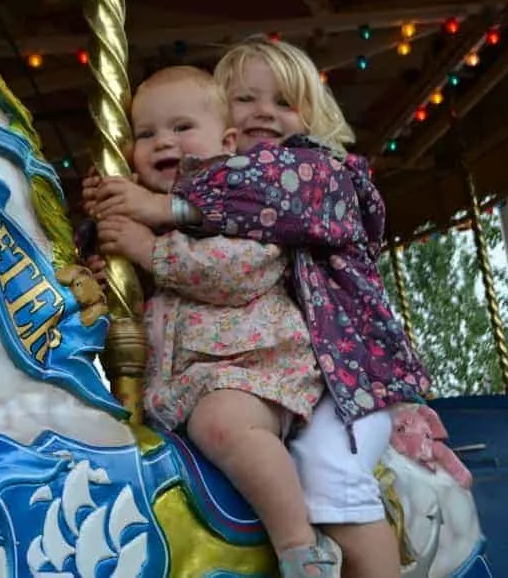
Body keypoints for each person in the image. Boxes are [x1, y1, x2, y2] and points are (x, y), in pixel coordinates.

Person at [87, 36, 431, 578]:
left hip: (339, 378)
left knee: (330, 475)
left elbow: (252, 223)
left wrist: (151, 230)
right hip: (200, 379)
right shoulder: (216, 187)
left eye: (283, 102)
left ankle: (317, 560)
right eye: (245, 99)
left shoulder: (315, 176)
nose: (263, 113)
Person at [94, 65, 342, 577]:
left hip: (255, 372)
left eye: (182, 128)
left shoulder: (241, 201)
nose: (164, 141)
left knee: (222, 425)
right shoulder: (148, 213)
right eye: (146, 134)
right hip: (183, 384)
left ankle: (304, 551)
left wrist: (147, 251)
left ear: (227, 141)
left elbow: (240, 273)